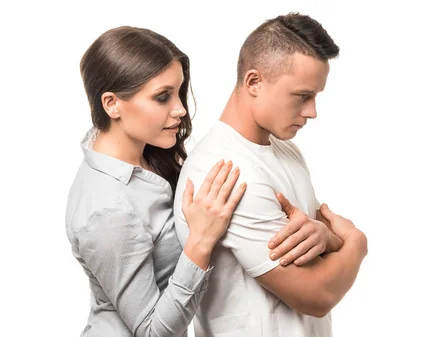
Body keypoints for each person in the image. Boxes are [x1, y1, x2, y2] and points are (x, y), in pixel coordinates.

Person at [65, 26, 329, 337]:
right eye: (162, 97)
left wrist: (324, 233)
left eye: (179, 92)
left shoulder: (151, 156)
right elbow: (152, 332)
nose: (179, 109)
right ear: (112, 104)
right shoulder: (107, 209)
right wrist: (201, 241)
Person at [173, 13, 368, 337]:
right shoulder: (228, 171)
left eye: (316, 96)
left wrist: (328, 237)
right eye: (302, 96)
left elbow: (324, 231)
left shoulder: (284, 150)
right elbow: (316, 295)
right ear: (254, 82)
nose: (312, 112)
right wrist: (357, 243)